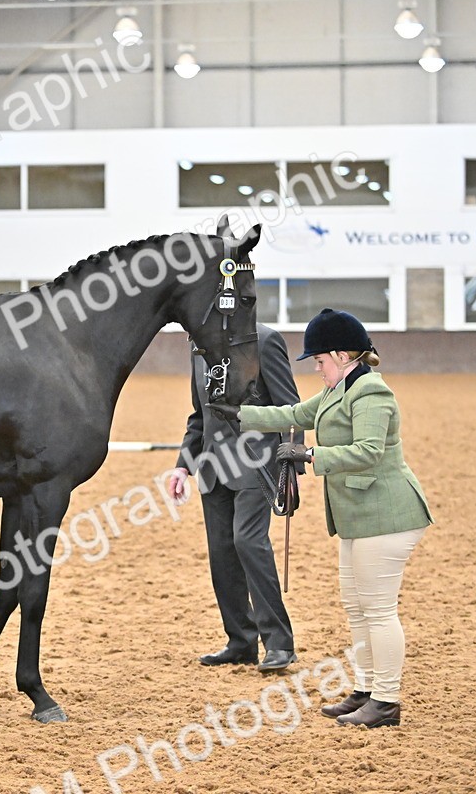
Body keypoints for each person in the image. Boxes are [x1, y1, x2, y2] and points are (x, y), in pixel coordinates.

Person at [210, 308, 433, 728]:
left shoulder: (371, 394)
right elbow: (293, 414)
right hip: (358, 517)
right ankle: (366, 691)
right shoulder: (337, 391)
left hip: (387, 514)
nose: (316, 368)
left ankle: (386, 700)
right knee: (357, 606)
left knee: (379, 610)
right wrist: (240, 414)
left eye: (319, 360)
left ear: (342, 355)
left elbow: (369, 451)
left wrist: (310, 454)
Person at [166, 324, 302, 674]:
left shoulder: (265, 340)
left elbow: (290, 406)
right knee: (222, 553)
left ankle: (279, 644)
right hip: (213, 468)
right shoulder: (197, 344)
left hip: (257, 462)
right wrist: (184, 466)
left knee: (248, 541)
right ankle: (241, 642)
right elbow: (201, 414)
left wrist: (291, 466)